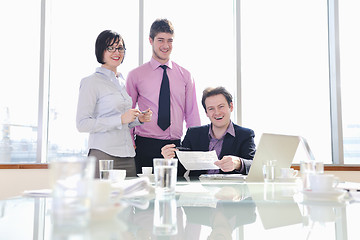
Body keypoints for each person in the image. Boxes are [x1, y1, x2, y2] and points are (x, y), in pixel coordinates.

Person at [126, 19, 201, 174]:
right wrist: (130, 142)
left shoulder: (185, 76)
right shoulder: (135, 75)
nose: (165, 46)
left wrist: (194, 148)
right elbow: (128, 112)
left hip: (175, 147)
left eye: (169, 41)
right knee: (145, 193)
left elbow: (192, 115)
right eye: (160, 40)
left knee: (175, 193)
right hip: (145, 145)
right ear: (150, 40)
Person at [76, 30, 152, 178]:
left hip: (128, 154)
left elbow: (122, 121)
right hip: (103, 154)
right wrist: (121, 119)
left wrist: (138, 120)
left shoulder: (121, 82)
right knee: (102, 200)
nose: (116, 52)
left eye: (120, 48)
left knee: (128, 200)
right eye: (110, 48)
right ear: (101, 51)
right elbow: (82, 124)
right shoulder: (91, 82)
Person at [161, 86, 256, 176]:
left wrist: (239, 163)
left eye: (221, 106)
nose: (217, 112)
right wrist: (169, 159)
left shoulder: (245, 135)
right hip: (198, 190)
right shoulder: (193, 134)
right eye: (211, 108)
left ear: (231, 106)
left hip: (230, 191)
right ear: (206, 112)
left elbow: (254, 166)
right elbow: (179, 171)